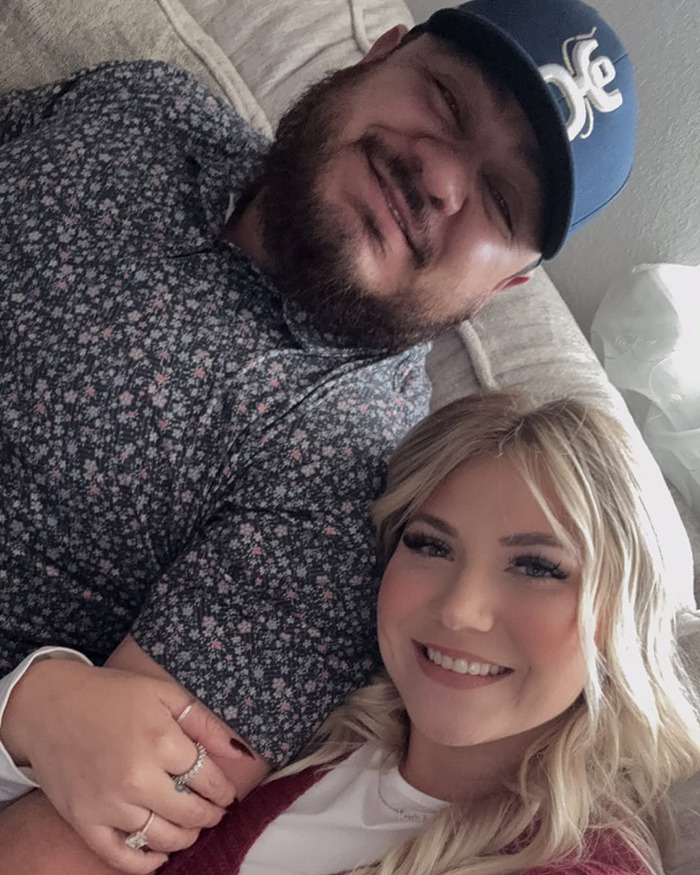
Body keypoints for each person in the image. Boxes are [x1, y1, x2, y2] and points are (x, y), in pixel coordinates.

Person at [0, 0, 640, 871]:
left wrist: (23, 700)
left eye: (498, 197)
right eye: (447, 102)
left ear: (506, 287)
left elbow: (66, 840)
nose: (442, 178)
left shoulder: (348, 492)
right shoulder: (142, 110)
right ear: (378, 54)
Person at [156, 392, 700, 874]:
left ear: (622, 618)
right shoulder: (304, 717)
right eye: (430, 546)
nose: (461, 610)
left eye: (536, 567)